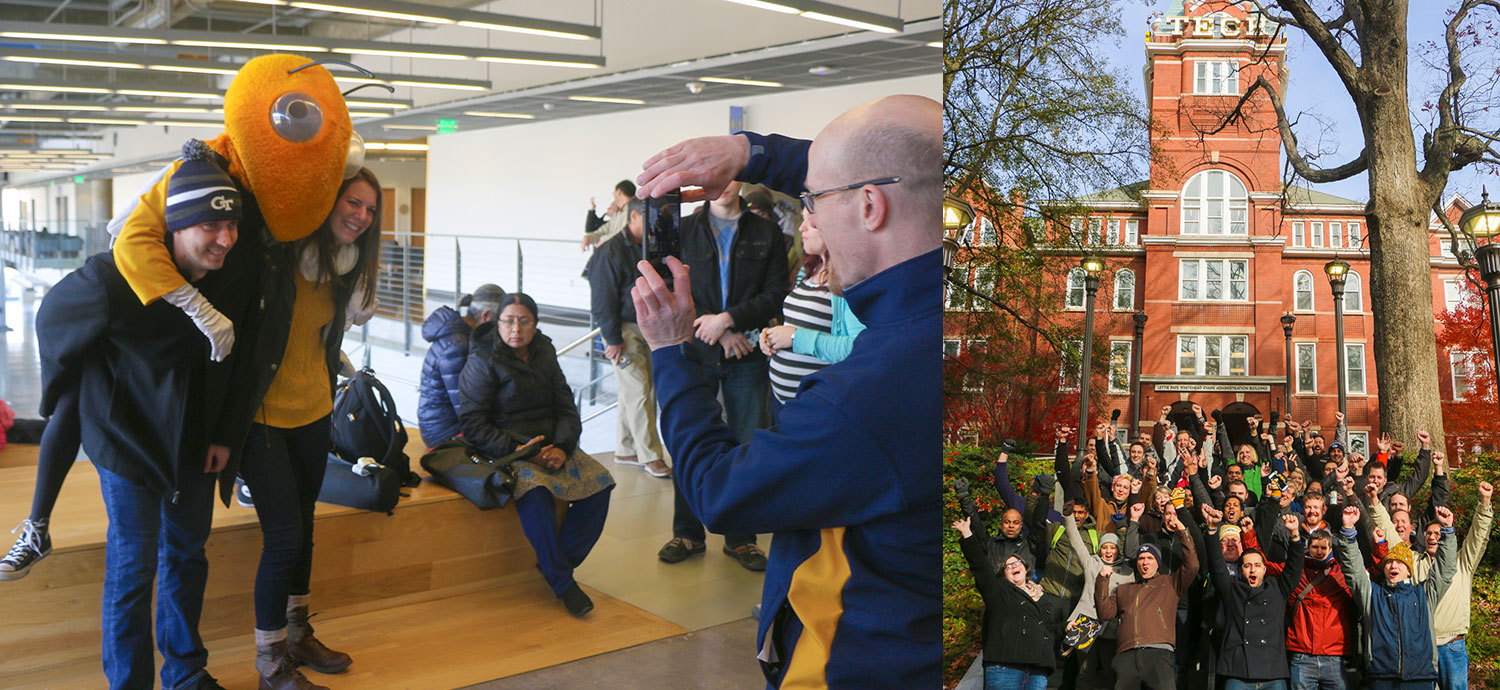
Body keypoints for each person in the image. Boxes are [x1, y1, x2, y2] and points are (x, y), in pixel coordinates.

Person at [631, 94, 941, 688]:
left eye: (813, 202)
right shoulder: (921, 323)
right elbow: (890, 161)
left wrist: (670, 350)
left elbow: (720, 492)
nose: (809, 220)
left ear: (871, 206)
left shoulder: (867, 394)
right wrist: (749, 152)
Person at [37, 149, 250, 690]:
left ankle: (184, 673)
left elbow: (236, 363)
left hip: (197, 443)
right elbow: (53, 319)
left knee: (187, 555)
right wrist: (76, 392)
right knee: (134, 568)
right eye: (210, 224)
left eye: (232, 224)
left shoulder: (227, 277)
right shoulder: (110, 279)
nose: (224, 238)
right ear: (175, 226)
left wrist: (225, 434)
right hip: (128, 442)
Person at [234, 168, 383, 690]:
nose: (361, 216)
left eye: (369, 209)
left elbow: (320, 340)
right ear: (327, 200)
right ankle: (270, 662)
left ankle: (298, 634)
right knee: (283, 539)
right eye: (353, 202)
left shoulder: (341, 270)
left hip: (315, 412)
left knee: (305, 529)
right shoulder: (281, 259)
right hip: (264, 419)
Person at [655, 180, 788, 572]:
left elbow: (775, 292)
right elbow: (673, 288)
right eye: (719, 180)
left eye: (733, 179)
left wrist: (729, 322)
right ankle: (688, 533)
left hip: (745, 352)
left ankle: (741, 538)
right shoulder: (682, 231)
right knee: (690, 437)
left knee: (747, 442)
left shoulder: (767, 233)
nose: (726, 187)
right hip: (697, 346)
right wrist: (713, 327)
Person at [458, 293, 616, 617]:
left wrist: (562, 446)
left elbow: (566, 407)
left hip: (552, 444)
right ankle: (562, 583)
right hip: (505, 447)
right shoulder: (482, 358)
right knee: (536, 491)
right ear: (496, 322)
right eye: (509, 321)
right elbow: (473, 424)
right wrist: (518, 450)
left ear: (536, 323)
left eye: (524, 321)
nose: (516, 328)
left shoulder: (544, 351)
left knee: (601, 482)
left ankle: (557, 564)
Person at [588, 199, 671, 478]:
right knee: (638, 393)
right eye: (650, 221)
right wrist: (612, 340)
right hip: (623, 331)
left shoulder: (649, 248)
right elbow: (602, 300)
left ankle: (625, 449)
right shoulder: (610, 252)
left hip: (648, 328)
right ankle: (651, 455)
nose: (655, 227)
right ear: (633, 215)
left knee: (635, 392)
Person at [758, 206, 866, 421]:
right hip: (782, 403)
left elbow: (859, 348)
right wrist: (771, 336)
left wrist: (795, 337)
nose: (801, 227)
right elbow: (795, 322)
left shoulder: (851, 279)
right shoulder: (807, 271)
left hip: (817, 409)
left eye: (809, 220)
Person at [1335, 503, 1457, 690]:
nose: (1393, 567)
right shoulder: (1372, 595)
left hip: (1420, 678)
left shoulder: (1423, 594)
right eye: (1389, 563)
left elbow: (1444, 571)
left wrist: (1447, 531)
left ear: (1409, 571)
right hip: (1381, 677)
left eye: (1399, 563)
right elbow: (1354, 571)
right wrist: (1349, 531)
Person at [955, 517, 1068, 690]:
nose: (1014, 566)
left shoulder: (1042, 597)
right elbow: (980, 566)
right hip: (1006, 665)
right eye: (1008, 566)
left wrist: (1066, 627)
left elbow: (1047, 630)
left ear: (1025, 568)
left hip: (1038, 669)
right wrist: (967, 534)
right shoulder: (998, 591)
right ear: (1003, 575)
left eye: (1017, 562)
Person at [1094, 505, 1198, 690]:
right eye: (1142, 558)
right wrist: (1102, 581)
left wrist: (1183, 531)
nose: (1145, 562)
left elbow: (1192, 566)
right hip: (1126, 656)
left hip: (1159, 654)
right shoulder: (1124, 589)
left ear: (1157, 564)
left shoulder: (1170, 584)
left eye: (1150, 558)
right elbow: (1104, 613)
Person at [1203, 507, 1306, 690]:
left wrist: (1295, 535)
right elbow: (1217, 564)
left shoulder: (1278, 589)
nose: (1253, 569)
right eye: (1248, 566)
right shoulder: (1232, 588)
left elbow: (1294, 567)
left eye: (1257, 565)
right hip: (1238, 671)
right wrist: (1212, 530)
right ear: (1240, 570)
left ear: (1265, 569)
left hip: (1272, 672)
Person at [418, 284, 504, 448]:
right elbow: (465, 405)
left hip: (443, 425)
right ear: (486, 316)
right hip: (444, 433)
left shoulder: (461, 336)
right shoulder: (458, 345)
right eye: (501, 322)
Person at [1430, 480, 1493, 690]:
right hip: (1423, 648)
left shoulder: (1462, 562)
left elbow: (1478, 537)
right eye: (1429, 533)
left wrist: (1484, 502)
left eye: (1438, 534)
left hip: (1452, 647)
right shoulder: (1414, 563)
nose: (1433, 537)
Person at [581, 179, 636, 250]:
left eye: (614, 193)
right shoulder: (619, 213)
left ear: (619, 192)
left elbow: (623, 234)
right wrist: (589, 238)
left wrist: (602, 240)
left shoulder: (633, 211)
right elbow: (604, 230)